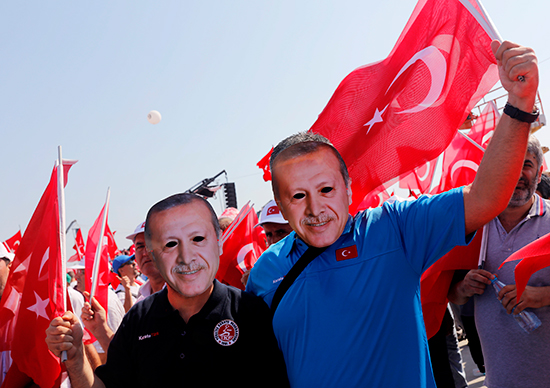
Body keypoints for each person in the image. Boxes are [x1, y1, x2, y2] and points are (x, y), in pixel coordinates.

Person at [246, 41, 538, 388]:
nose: (315, 208)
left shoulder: (394, 229)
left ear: (348, 188)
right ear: (280, 204)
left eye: (326, 190)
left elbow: (485, 199)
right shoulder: (264, 274)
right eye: (298, 196)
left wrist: (520, 104)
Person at [46, 193, 288, 387]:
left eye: (198, 239)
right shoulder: (139, 319)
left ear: (219, 242)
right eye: (171, 244)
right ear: (153, 256)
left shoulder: (251, 313)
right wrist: (76, 357)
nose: (186, 257)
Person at [448, 135, 550, 388]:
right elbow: (449, 295)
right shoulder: (471, 226)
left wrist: (541, 296)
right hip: (499, 379)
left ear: (539, 174)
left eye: (525, 164)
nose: (516, 173)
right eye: (509, 163)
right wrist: (463, 288)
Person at [126, 222, 166, 302]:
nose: (145, 253)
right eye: (140, 247)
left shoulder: (187, 294)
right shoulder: (141, 298)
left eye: (151, 245)